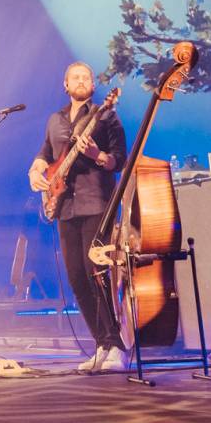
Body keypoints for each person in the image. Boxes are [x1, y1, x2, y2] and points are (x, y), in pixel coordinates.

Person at [28, 61, 127, 373]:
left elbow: (120, 160)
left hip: (96, 203)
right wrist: (35, 171)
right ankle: (102, 344)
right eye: (75, 77)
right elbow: (45, 154)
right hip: (64, 206)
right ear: (66, 85)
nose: (81, 80)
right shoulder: (55, 120)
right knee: (75, 277)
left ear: (94, 86)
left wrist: (97, 155)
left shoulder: (106, 115)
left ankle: (118, 347)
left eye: (86, 77)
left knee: (95, 272)